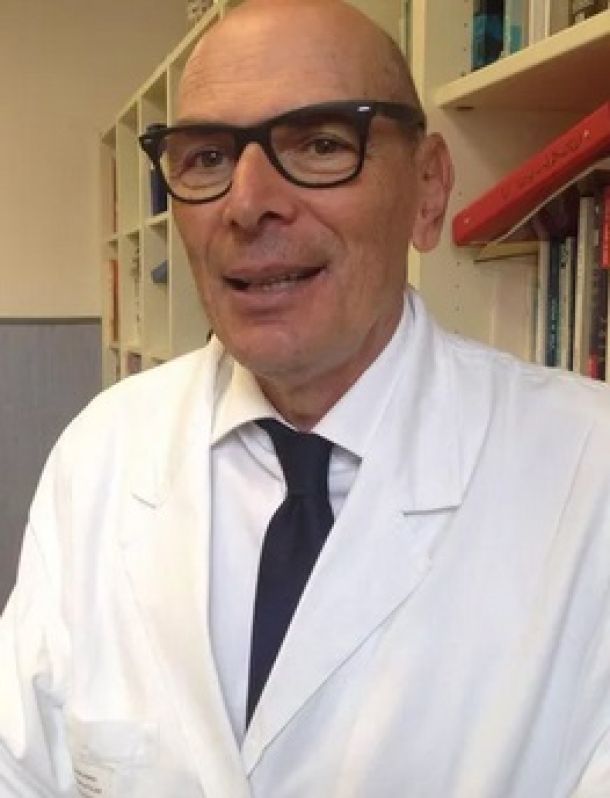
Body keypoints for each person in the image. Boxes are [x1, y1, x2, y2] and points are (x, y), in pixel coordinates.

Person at [1, 0, 609, 795]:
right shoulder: (101, 451)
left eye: (321, 143)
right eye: (207, 157)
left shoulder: (588, 471)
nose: (248, 203)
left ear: (428, 189)